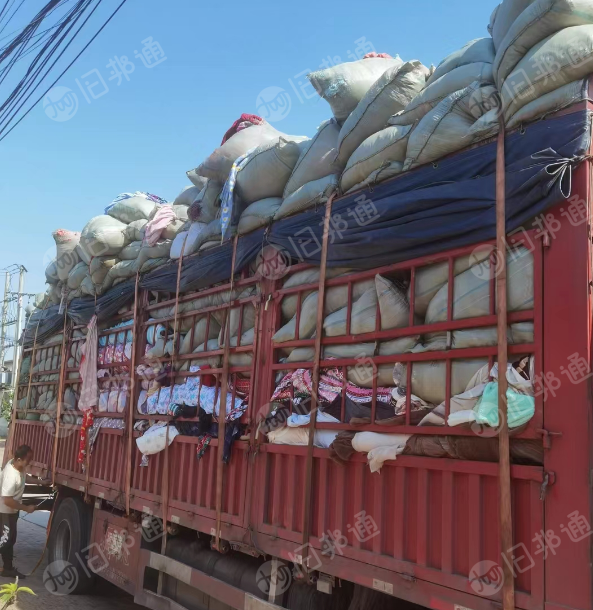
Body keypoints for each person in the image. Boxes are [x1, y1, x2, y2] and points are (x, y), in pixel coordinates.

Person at [0, 445, 41, 578]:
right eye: (28, 459)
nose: (30, 461)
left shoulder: (18, 466)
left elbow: (24, 478)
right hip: (4, 510)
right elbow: (7, 500)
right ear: (19, 459)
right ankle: (7, 568)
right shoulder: (11, 476)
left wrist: (39, 482)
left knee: (11, 539)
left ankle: (8, 568)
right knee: (5, 540)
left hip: (12, 511)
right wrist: (26, 508)